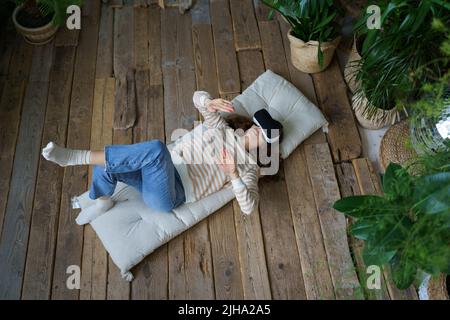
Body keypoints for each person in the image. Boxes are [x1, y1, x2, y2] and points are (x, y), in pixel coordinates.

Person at [42, 91, 282, 225]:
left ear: (266, 147)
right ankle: (103, 201)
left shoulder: (249, 167)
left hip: (172, 193)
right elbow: (196, 97)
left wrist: (233, 174)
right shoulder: (221, 127)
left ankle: (77, 156)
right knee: (109, 163)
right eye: (258, 125)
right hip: (157, 172)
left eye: (264, 133)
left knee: (157, 149)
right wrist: (208, 102)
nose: (257, 129)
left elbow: (250, 208)